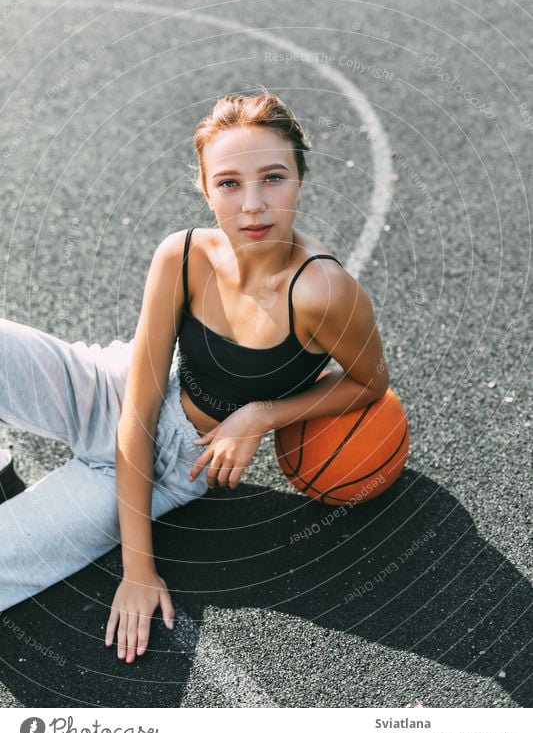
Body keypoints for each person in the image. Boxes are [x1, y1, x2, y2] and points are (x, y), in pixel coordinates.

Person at [0, 89, 390, 664]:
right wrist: (138, 566)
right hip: (112, 387)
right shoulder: (182, 255)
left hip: (174, 464)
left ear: (301, 180)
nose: (253, 204)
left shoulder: (324, 293)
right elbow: (137, 405)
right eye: (229, 183)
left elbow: (370, 382)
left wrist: (263, 413)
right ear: (205, 189)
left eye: (273, 177)